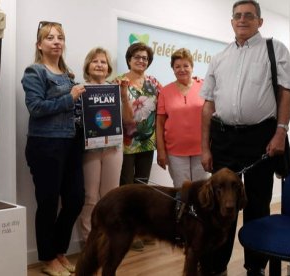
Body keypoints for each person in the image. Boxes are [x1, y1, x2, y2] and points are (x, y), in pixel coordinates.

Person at [200, 1, 290, 276]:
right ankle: (216, 267)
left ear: (259, 22)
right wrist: (204, 147)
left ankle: (255, 266)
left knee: (257, 204)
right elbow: (207, 105)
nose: (242, 20)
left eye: (249, 16)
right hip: (224, 139)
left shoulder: (274, 49)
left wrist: (281, 132)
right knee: (220, 206)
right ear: (231, 22)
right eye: (238, 16)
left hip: (260, 138)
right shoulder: (219, 57)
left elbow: (286, 92)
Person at [22, 21, 86, 276]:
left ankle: (59, 252)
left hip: (71, 143)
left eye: (60, 37)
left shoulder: (68, 74)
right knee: (48, 203)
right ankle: (47, 259)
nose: (56, 41)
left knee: (75, 199)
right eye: (50, 38)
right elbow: (35, 108)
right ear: (40, 45)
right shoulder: (34, 72)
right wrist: (69, 98)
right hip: (45, 144)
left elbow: (74, 109)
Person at [78, 47, 133, 242]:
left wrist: (124, 94)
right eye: (95, 61)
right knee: (90, 197)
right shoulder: (80, 90)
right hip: (90, 149)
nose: (99, 65)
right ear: (88, 66)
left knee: (111, 196)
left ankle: (108, 241)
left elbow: (128, 120)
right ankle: (89, 241)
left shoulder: (117, 89)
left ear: (108, 67)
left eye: (103, 62)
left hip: (113, 148)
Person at [114, 42, 162, 251]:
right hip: (124, 142)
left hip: (147, 141)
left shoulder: (154, 82)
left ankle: (141, 228)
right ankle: (127, 231)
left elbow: (162, 109)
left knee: (143, 185)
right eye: (137, 57)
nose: (141, 60)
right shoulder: (118, 81)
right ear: (129, 59)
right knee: (126, 186)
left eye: (145, 58)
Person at [156, 48, 208, 187]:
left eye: (186, 65)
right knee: (182, 191)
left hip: (202, 149)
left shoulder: (204, 87)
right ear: (172, 69)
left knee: (202, 191)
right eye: (177, 66)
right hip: (175, 151)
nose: (182, 69)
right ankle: (183, 211)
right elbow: (160, 123)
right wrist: (161, 151)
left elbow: (212, 117)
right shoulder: (165, 91)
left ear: (192, 67)